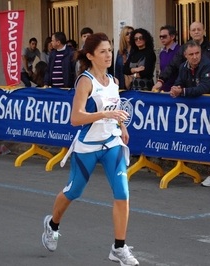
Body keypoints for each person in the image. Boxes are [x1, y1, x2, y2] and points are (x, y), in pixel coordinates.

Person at [42, 32, 139, 266]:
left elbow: (114, 108)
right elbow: (76, 118)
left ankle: (119, 247)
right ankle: (52, 224)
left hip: (112, 143)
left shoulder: (114, 82)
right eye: (103, 51)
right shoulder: (85, 81)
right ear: (90, 55)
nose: (108, 55)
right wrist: (106, 114)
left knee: (122, 194)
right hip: (87, 146)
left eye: (110, 50)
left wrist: (121, 124)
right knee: (74, 191)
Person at [170, 40, 210, 187]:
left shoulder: (208, 65)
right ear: (185, 55)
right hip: (201, 107)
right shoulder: (183, 67)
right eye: (191, 54)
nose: (194, 57)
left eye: (197, 53)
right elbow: (180, 82)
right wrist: (175, 88)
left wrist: (182, 92)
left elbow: (202, 88)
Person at [152, 21, 210, 92]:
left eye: (199, 29)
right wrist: (161, 81)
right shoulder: (183, 50)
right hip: (193, 90)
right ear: (190, 33)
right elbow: (172, 65)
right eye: (193, 30)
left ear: (204, 31)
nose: (196, 32)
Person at [155, 25, 181, 92]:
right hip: (163, 88)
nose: (162, 39)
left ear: (172, 36)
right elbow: (161, 71)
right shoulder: (162, 53)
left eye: (164, 36)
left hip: (176, 89)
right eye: (160, 37)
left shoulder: (180, 50)